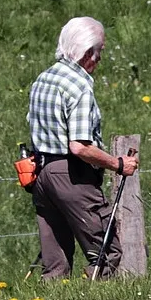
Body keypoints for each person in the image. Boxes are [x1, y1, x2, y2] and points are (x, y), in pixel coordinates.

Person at [27, 16, 139, 279]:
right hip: (71, 176)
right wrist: (118, 164)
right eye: (100, 51)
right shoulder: (79, 87)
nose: (100, 59)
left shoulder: (44, 78)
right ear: (89, 52)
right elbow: (79, 147)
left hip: (40, 175)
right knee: (106, 252)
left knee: (55, 262)